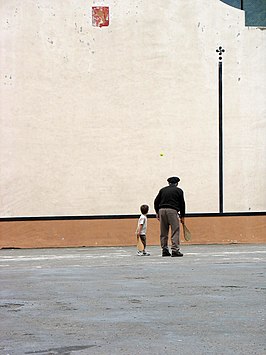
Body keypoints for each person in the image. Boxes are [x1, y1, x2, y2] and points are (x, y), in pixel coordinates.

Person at [154, 177, 185, 257]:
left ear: (169, 183)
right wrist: (182, 216)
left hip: (161, 211)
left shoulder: (162, 190)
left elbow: (156, 201)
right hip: (172, 211)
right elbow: (182, 204)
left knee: (163, 231)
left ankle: (164, 249)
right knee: (175, 230)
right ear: (177, 183)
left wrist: (157, 212)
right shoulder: (179, 191)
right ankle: (175, 250)